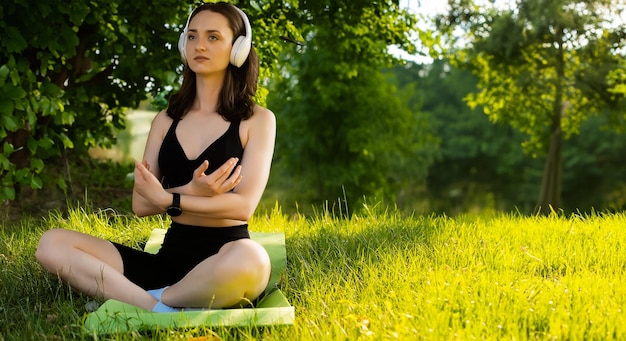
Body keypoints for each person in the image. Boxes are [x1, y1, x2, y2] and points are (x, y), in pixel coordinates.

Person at [36, 2, 275, 312]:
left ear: (238, 49)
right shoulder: (165, 119)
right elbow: (141, 204)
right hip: (167, 262)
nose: (199, 45)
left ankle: (155, 301)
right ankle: (157, 306)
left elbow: (242, 207)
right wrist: (190, 190)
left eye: (213, 37)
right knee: (51, 243)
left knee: (253, 258)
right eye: (191, 36)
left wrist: (170, 201)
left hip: (226, 259)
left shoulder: (257, 120)